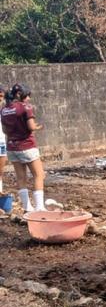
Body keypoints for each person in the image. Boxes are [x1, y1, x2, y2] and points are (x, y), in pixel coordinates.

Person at [0, 84, 46, 212]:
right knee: (39, 175)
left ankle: (27, 207)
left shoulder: (4, 110)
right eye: (27, 95)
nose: (28, 99)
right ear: (19, 94)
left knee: (21, 177)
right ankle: (40, 207)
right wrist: (38, 127)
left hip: (12, 148)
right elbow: (31, 127)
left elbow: (5, 130)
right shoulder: (25, 107)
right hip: (27, 146)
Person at [0, 86, 8, 196]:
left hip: (1, 142)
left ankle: (0, 192)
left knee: (0, 171)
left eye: (2, 96)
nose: (0, 98)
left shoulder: (4, 110)